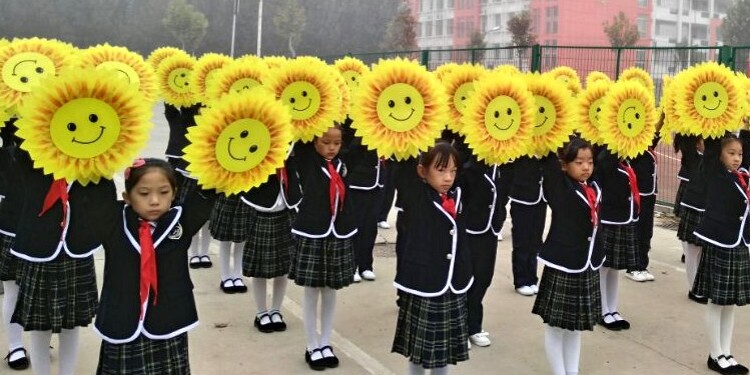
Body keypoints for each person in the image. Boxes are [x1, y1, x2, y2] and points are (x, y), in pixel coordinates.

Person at [89, 158, 215, 374]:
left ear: (174, 193)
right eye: (144, 193)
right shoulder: (113, 223)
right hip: (122, 319)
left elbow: (208, 190)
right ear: (127, 197)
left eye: (164, 192)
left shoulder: (180, 222)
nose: (155, 201)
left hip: (169, 318)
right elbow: (95, 192)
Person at [9, 148, 110, 375]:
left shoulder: (94, 158)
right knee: (39, 326)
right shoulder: (33, 157)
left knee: (71, 324)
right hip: (40, 250)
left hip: (77, 250)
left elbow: (104, 198)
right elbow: (20, 145)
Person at [391, 141, 473, 375]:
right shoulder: (415, 195)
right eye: (441, 170)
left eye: (453, 171)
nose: (448, 177)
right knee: (418, 353)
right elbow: (403, 165)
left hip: (452, 283)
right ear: (422, 172)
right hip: (423, 281)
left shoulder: (457, 194)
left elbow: (475, 166)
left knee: (443, 354)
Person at [288, 125, 357, 371]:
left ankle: (325, 342)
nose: (331, 147)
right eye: (326, 142)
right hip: (312, 230)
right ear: (315, 141)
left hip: (337, 232)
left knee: (330, 290)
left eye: (336, 143)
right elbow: (296, 134)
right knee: (311, 291)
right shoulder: (306, 159)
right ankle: (311, 344)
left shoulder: (343, 162)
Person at [532, 138, 603, 375]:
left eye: (590, 162)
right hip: (564, 263)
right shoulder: (559, 186)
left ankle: (572, 372)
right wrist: (555, 129)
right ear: (564, 165)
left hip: (587, 263)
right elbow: (549, 161)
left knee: (575, 327)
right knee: (555, 327)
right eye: (579, 162)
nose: (586, 167)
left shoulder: (593, 186)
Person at [692, 132, 750, 375]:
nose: (736, 158)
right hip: (720, 242)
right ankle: (715, 354)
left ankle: (726, 352)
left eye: (740, 154)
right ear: (720, 155)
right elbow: (712, 148)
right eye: (731, 153)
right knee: (717, 303)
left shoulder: (742, 177)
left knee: (730, 305)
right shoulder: (714, 172)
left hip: (739, 244)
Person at [239, 155, 302, 333]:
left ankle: (276, 310)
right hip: (262, 210)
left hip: (286, 210)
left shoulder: (289, 146)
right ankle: (261, 312)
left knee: (283, 266)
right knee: (260, 268)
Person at [455, 140, 502, 348]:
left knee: (484, 276)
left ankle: (474, 325)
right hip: (470, 228)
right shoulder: (470, 167)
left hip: (490, 229)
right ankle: (460, 327)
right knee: (466, 277)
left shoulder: (504, 164)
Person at [594, 146, 639, 331]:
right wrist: (615, 141)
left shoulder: (625, 162)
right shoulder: (606, 162)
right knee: (604, 267)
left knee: (614, 268)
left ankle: (612, 308)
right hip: (610, 220)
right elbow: (606, 158)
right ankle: (602, 310)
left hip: (623, 219)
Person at [163, 103, 213, 269]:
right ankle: (192, 251)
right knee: (187, 208)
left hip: (211, 164)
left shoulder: (217, 108)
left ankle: (203, 252)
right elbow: (170, 110)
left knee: (207, 211)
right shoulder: (187, 113)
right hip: (189, 164)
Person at [340, 119, 384, 282]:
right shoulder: (355, 117)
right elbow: (348, 150)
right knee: (355, 225)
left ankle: (366, 265)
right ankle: (351, 266)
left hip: (377, 181)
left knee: (370, 226)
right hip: (359, 181)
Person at [0, 121, 28, 370]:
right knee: (12, 289)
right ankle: (15, 345)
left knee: (43, 292)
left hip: (47, 222)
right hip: (9, 219)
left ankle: (39, 339)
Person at [507, 154, 549, 296]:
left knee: (535, 240)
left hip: (541, 196)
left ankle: (532, 278)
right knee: (522, 240)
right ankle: (521, 280)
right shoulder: (521, 142)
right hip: (522, 194)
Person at [676, 135, 707, 303]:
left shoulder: (714, 158)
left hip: (708, 205)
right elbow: (685, 138)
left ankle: (700, 285)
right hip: (694, 204)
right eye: (703, 141)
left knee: (702, 250)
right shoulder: (692, 157)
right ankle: (693, 288)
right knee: (692, 248)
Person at [626, 136, 660, 282]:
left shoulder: (647, 147)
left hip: (649, 194)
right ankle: (633, 267)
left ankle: (642, 266)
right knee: (638, 231)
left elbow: (655, 134)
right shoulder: (633, 148)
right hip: (638, 194)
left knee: (647, 231)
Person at [209, 194, 250, 294]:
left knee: (242, 241)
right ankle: (225, 277)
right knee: (225, 240)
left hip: (247, 198)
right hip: (227, 195)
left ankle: (237, 276)